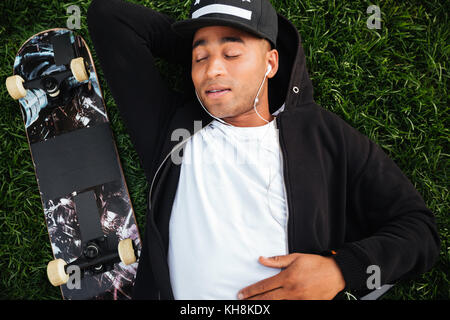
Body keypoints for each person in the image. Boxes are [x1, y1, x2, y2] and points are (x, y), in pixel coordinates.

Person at [87, 0, 440, 300]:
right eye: (199, 58)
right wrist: (203, 36)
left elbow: (419, 231)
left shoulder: (322, 135)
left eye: (232, 52)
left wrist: (339, 270)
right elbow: (110, 17)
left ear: (271, 63)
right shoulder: (172, 128)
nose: (212, 69)